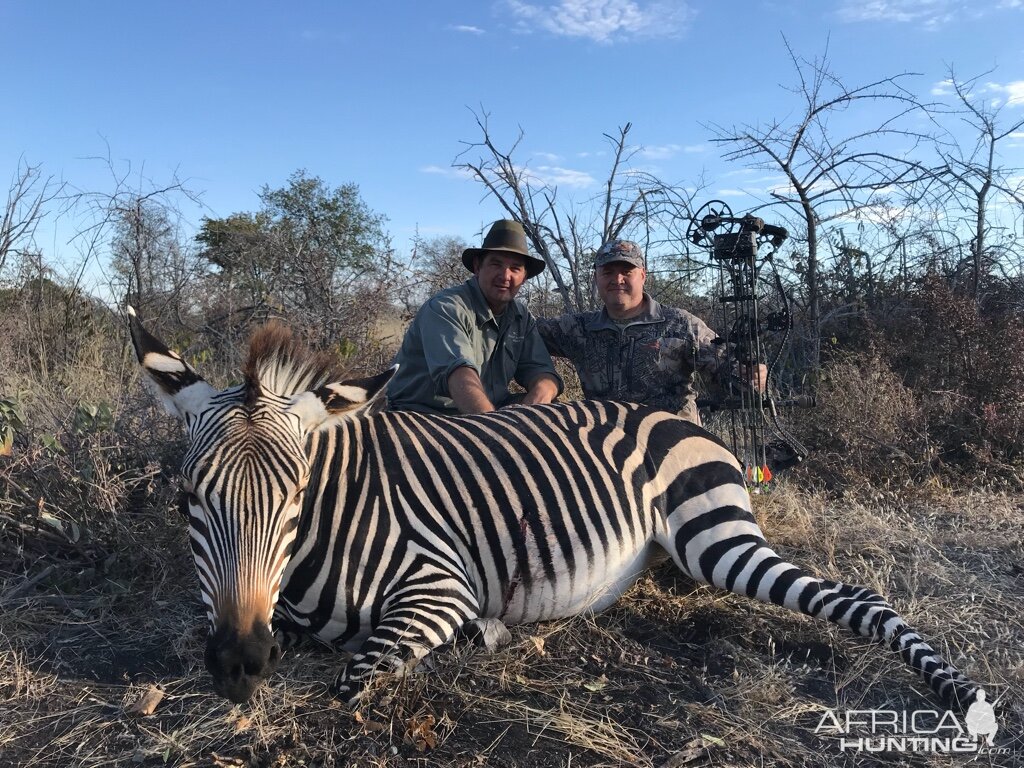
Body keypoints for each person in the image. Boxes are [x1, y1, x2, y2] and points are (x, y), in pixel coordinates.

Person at [536, 239, 765, 424]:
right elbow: (522, 332)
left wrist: (752, 375)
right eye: (608, 272)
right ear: (596, 277)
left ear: (643, 275)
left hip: (674, 444)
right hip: (606, 450)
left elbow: (727, 368)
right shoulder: (578, 328)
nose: (618, 279)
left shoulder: (680, 323)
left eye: (627, 271)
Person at [387, 219, 562, 415]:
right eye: (496, 264)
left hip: (488, 412)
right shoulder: (446, 308)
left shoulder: (521, 316)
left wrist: (533, 403)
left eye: (515, 268)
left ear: (524, 276)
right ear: (478, 266)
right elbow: (460, 377)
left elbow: (543, 373)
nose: (505, 276)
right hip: (425, 415)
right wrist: (496, 430)